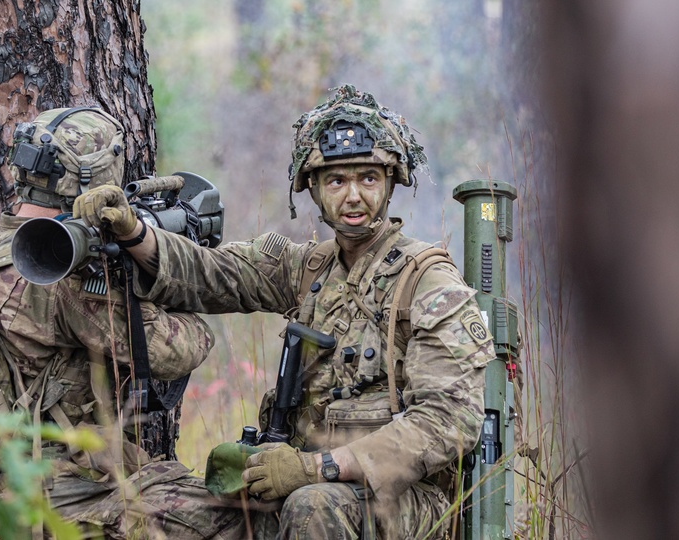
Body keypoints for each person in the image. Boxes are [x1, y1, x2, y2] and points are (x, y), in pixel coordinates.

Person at [73, 85, 495, 539]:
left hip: (404, 496)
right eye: (336, 181)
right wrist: (136, 233)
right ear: (312, 189)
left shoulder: (427, 281)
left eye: (368, 179)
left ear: (390, 183)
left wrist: (318, 468)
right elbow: (212, 273)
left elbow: (449, 420)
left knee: (312, 506)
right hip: (301, 481)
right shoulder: (306, 267)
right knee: (166, 511)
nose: (353, 196)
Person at [0, 106, 255, 538]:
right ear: (99, 179)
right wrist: (165, 279)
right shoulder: (60, 277)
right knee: (237, 518)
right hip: (49, 501)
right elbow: (180, 349)